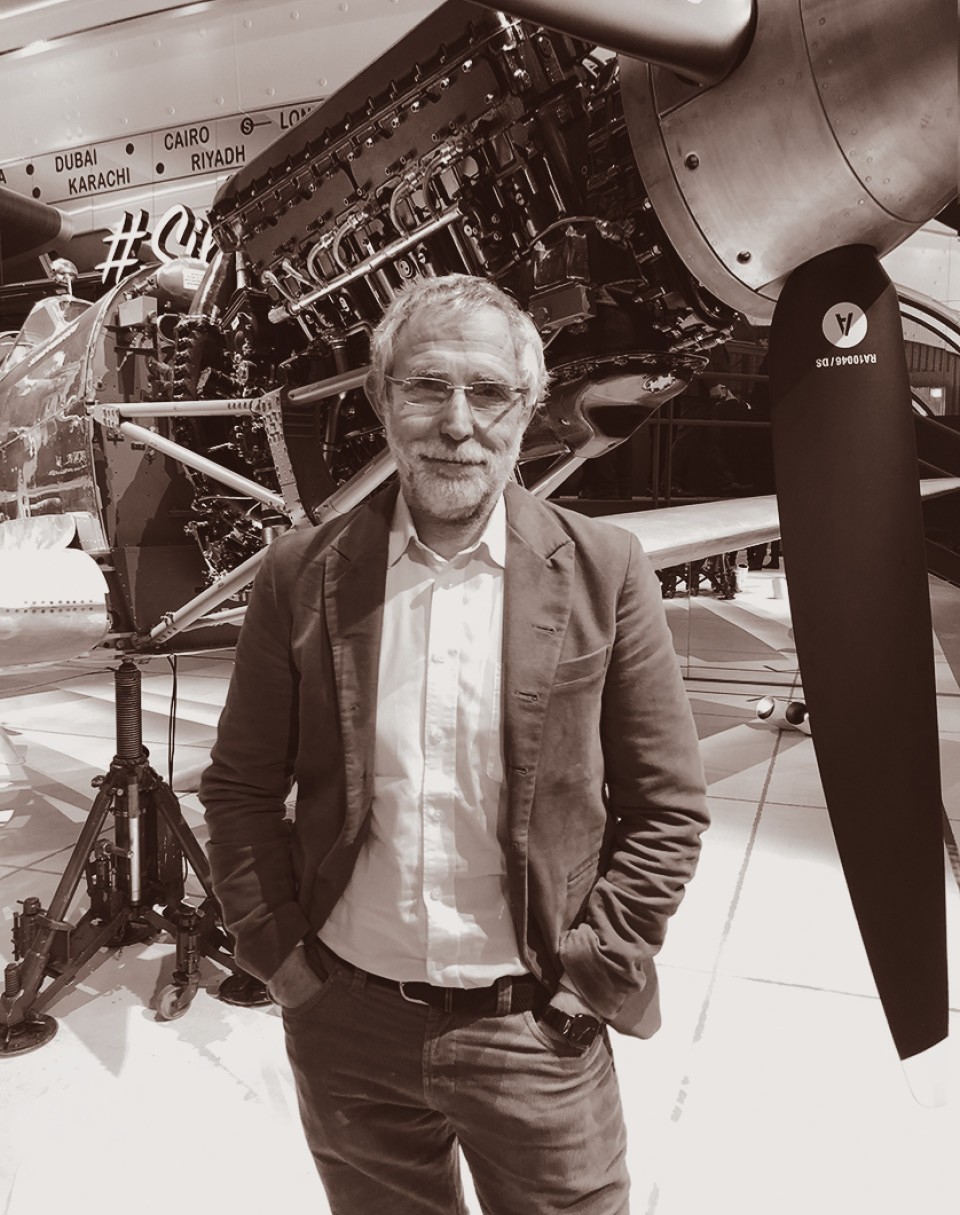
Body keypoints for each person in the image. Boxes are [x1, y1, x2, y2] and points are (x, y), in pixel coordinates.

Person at [200, 274, 709, 1215]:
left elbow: (667, 807)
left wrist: (592, 977)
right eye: (427, 386)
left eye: (489, 391)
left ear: (530, 406)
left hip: (536, 1028)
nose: (458, 423)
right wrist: (283, 960)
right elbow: (238, 789)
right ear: (381, 398)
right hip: (346, 1023)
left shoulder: (604, 570)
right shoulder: (299, 573)